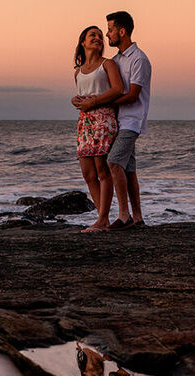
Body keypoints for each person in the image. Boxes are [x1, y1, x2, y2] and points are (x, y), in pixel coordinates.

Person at [79, 10, 151, 230]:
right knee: (128, 169)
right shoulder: (117, 60)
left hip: (132, 120)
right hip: (118, 120)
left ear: (122, 31)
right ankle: (137, 218)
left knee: (113, 162)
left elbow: (133, 94)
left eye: (110, 30)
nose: (107, 34)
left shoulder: (139, 59)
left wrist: (98, 104)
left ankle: (123, 215)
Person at [72, 26, 124, 233]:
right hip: (85, 122)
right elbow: (83, 95)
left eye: (100, 36)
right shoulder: (78, 72)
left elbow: (118, 89)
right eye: (92, 35)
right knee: (88, 173)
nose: (98, 38)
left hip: (103, 118)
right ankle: (103, 218)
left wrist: (93, 102)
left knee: (102, 170)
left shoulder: (107, 64)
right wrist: (75, 100)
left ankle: (102, 219)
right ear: (83, 42)